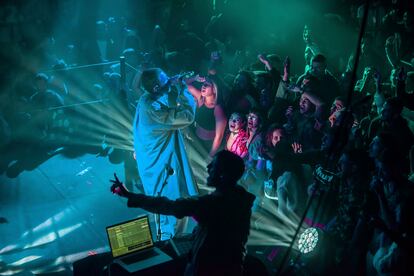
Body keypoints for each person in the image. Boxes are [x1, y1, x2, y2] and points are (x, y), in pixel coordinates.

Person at [111, 150, 256, 276]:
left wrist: (130, 196)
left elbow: (170, 206)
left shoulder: (214, 203)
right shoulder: (239, 198)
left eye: (214, 165)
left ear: (223, 175)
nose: (208, 167)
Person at [133, 68, 198, 240]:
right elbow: (187, 116)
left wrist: (169, 85)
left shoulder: (145, 98)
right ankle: (171, 248)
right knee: (172, 210)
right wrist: (183, 90)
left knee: (171, 208)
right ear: (155, 88)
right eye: (165, 79)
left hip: (156, 163)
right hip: (163, 169)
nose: (170, 79)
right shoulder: (154, 111)